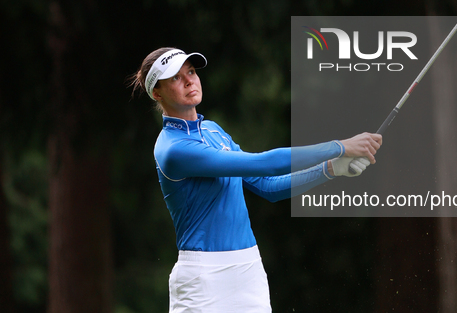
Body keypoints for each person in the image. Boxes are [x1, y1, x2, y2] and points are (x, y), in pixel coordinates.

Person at [130, 47, 382, 312]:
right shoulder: (174, 149)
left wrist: (330, 169)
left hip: (249, 270)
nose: (189, 80)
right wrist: (340, 146)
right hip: (204, 279)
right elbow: (264, 164)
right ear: (157, 93)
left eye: (191, 72)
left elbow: (267, 186)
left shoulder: (213, 131)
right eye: (175, 78)